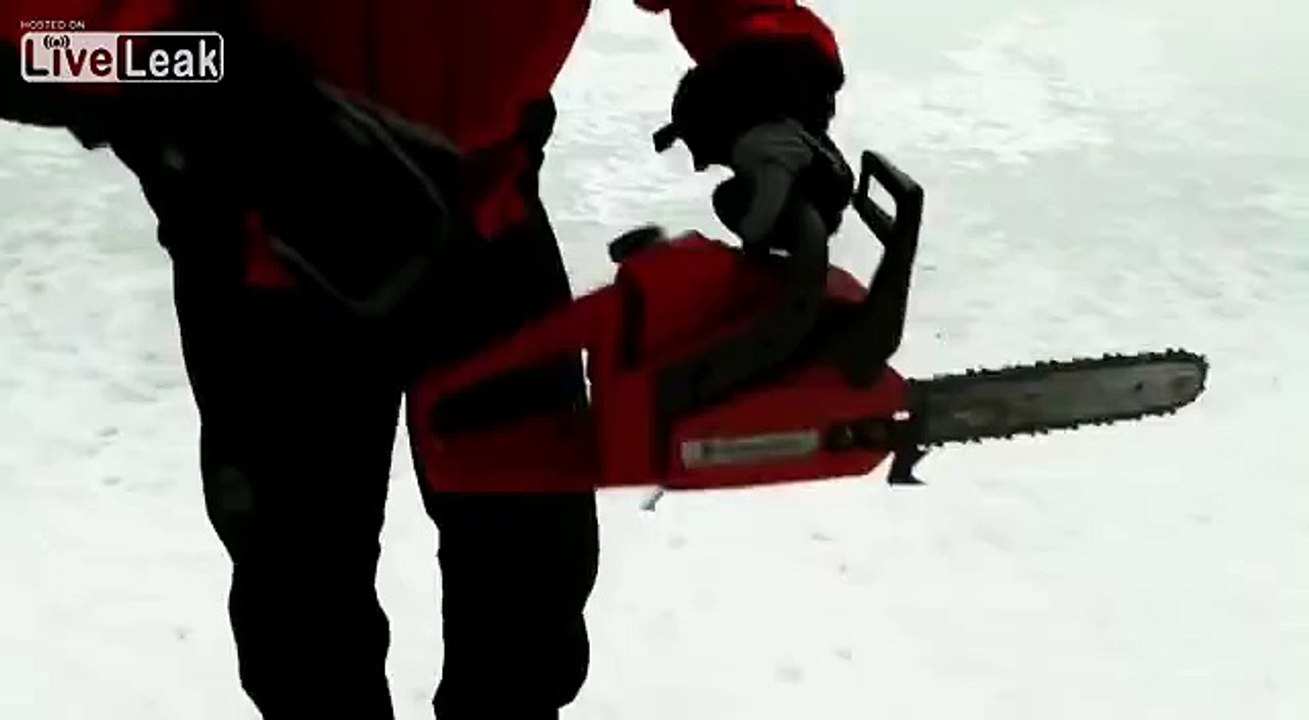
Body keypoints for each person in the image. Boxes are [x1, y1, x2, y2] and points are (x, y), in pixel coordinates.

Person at [0, 1, 853, 717]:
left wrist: (762, 76)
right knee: (302, 607)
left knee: (529, 589)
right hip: (263, 253)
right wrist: (231, 103)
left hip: (485, 218)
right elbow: (43, 37)